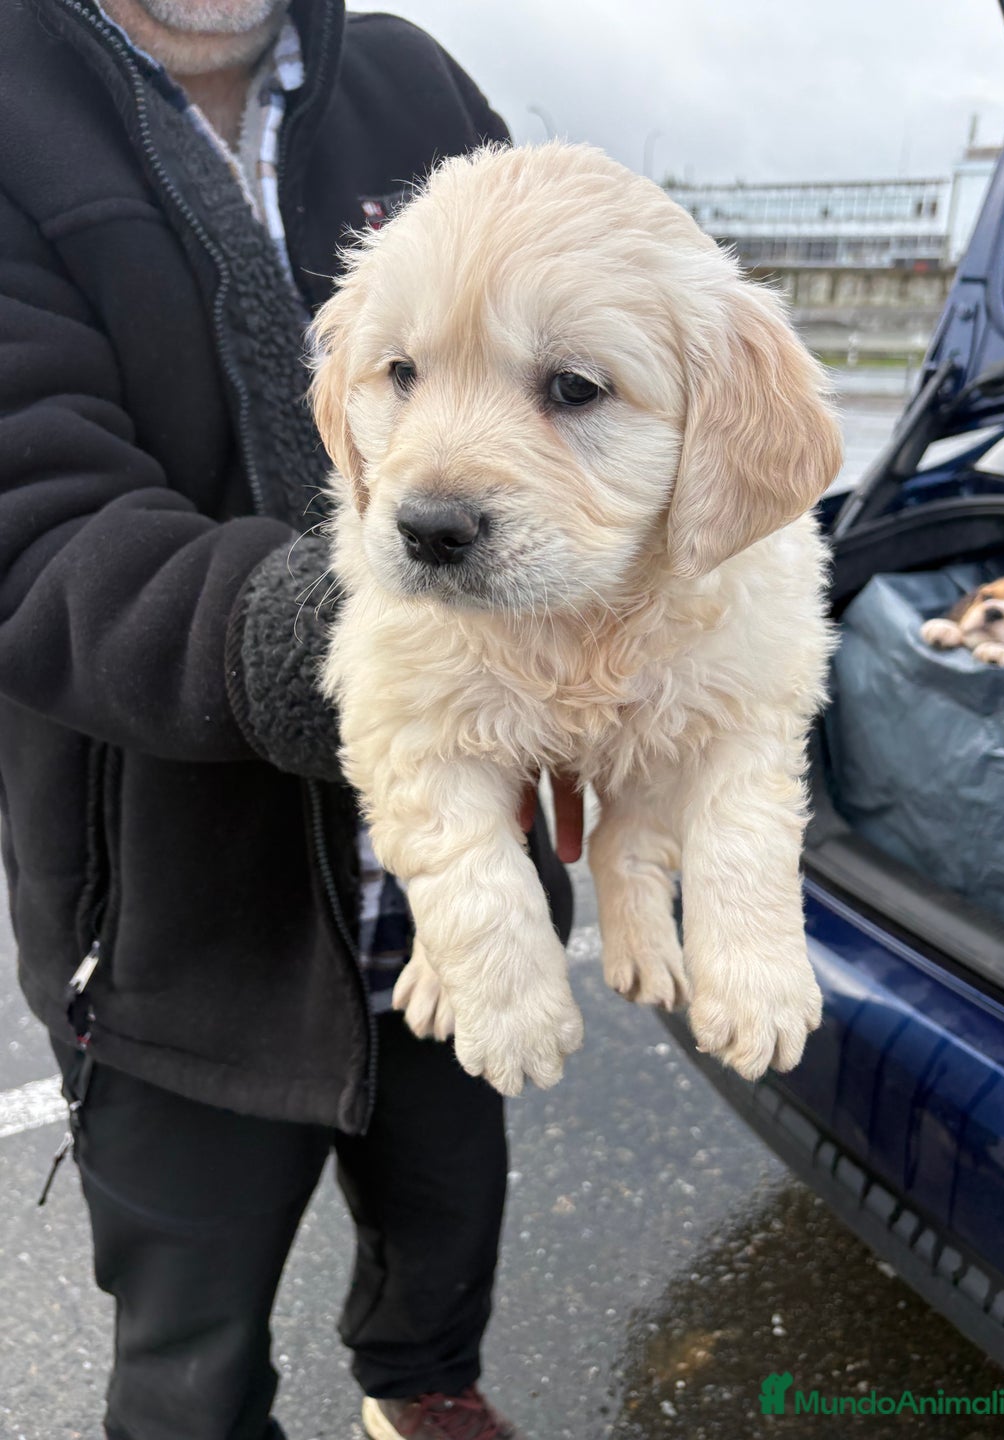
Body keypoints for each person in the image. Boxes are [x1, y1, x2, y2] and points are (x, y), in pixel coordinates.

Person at [0, 3, 581, 1437]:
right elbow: (41, 525)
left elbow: (583, 377)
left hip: (454, 895)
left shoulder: (411, 78)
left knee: (447, 1234)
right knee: (190, 1356)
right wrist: (395, 653)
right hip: (171, 922)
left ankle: (423, 1391)